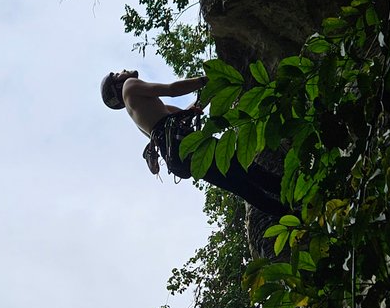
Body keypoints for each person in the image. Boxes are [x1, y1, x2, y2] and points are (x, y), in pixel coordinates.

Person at [100, 68, 284, 220]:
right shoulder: (129, 86)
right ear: (117, 86)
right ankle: (294, 193)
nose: (122, 71)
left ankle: (291, 215)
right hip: (186, 145)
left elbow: (184, 113)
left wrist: (212, 93)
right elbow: (172, 89)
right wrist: (204, 80)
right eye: (117, 75)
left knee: (243, 188)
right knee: (246, 168)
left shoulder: (141, 114)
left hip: (181, 158)